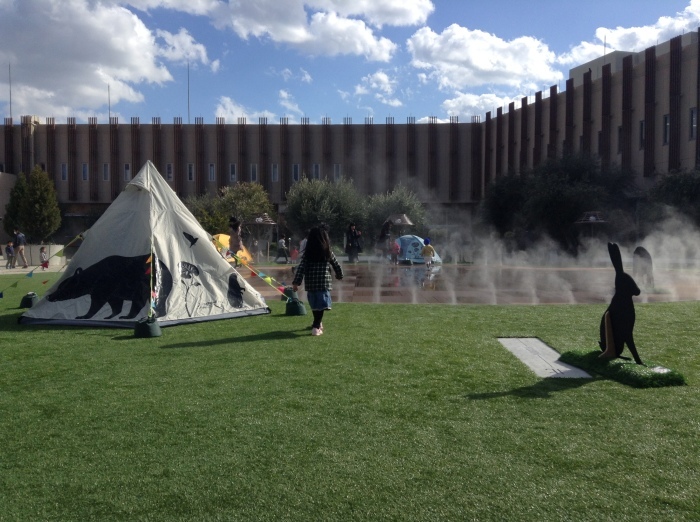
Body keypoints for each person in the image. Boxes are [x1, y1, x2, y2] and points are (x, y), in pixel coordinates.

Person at [292, 224, 344, 336]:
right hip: (323, 283)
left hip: (311, 284)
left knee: (315, 306)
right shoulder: (327, 252)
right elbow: (336, 264)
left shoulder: (308, 255)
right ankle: (316, 327)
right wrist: (339, 275)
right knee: (321, 306)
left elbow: (301, 268)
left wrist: (296, 282)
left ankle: (317, 323)